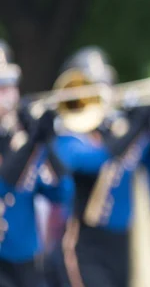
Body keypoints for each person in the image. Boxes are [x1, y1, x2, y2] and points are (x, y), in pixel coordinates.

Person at [50, 46, 150, 287]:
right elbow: (100, 160)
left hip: (122, 246)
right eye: (94, 86)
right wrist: (136, 123)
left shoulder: (116, 132)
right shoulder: (68, 138)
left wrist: (149, 122)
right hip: (87, 247)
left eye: (106, 84)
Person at [0, 39, 74, 287]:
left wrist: (44, 141)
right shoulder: (21, 144)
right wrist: (31, 143)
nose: (9, 97)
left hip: (27, 263)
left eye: (11, 87)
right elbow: (4, 185)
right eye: (1, 88)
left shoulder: (20, 139)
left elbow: (62, 193)